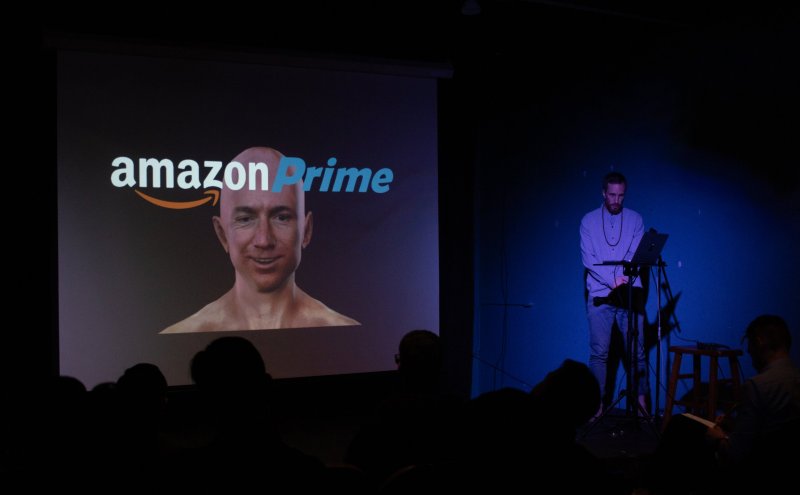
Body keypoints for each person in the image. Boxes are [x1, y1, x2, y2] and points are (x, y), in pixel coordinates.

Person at [161, 146, 359, 333]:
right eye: (246, 219)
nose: (264, 240)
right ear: (222, 234)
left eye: (281, 217)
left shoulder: (347, 332)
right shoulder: (185, 332)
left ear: (306, 231)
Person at [580, 171, 648, 416]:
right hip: (600, 294)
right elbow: (590, 261)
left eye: (621, 195)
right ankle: (596, 406)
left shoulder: (636, 219)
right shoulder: (588, 221)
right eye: (612, 195)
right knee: (599, 353)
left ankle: (641, 405)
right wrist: (613, 281)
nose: (616, 200)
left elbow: (636, 256)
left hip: (630, 295)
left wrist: (625, 279)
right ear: (603, 193)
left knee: (637, 353)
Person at [705, 314, 800, 466]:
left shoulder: (756, 386)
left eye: (749, 346)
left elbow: (734, 454)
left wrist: (717, 438)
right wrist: (736, 425)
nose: (749, 352)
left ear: (758, 342)